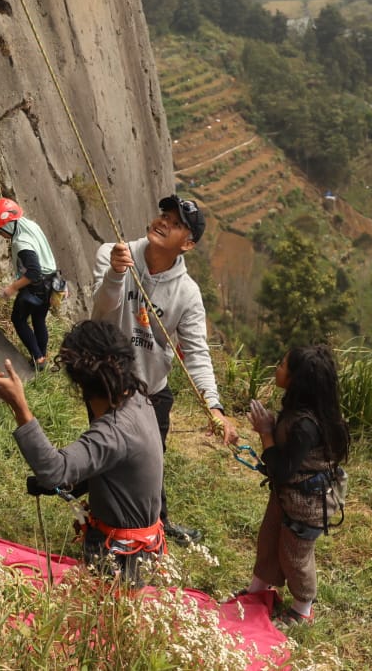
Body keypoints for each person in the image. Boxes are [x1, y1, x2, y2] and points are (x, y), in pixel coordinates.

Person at [91, 194, 237, 545]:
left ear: (187, 244)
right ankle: (101, 528)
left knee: (151, 461)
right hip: (108, 384)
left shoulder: (187, 293)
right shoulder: (114, 253)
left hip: (152, 390)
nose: (163, 222)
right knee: (106, 456)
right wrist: (115, 274)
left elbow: (197, 353)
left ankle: (156, 524)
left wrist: (212, 407)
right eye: (164, 215)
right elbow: (101, 315)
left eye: (175, 223)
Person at [0, 320, 165, 584]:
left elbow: (54, 471)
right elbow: (112, 466)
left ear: (80, 382)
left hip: (122, 559)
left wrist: (18, 405)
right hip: (144, 547)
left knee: (102, 620)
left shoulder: (114, 432)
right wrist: (76, 484)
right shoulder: (138, 399)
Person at [240, 345, 350, 628]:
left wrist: (266, 432)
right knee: (269, 539)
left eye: (282, 364)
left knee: (295, 555)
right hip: (286, 496)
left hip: (306, 505)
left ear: (296, 379)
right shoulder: (299, 412)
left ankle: (302, 608)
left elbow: (282, 469)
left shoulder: (305, 426)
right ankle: (258, 590)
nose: (277, 367)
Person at [0, 198, 58, 369]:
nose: (0, 234)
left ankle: (38, 358)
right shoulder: (30, 225)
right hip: (52, 281)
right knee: (39, 319)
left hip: (36, 287)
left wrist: (12, 288)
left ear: (7, 225)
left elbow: (33, 272)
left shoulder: (21, 242)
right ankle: (43, 356)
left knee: (18, 320)